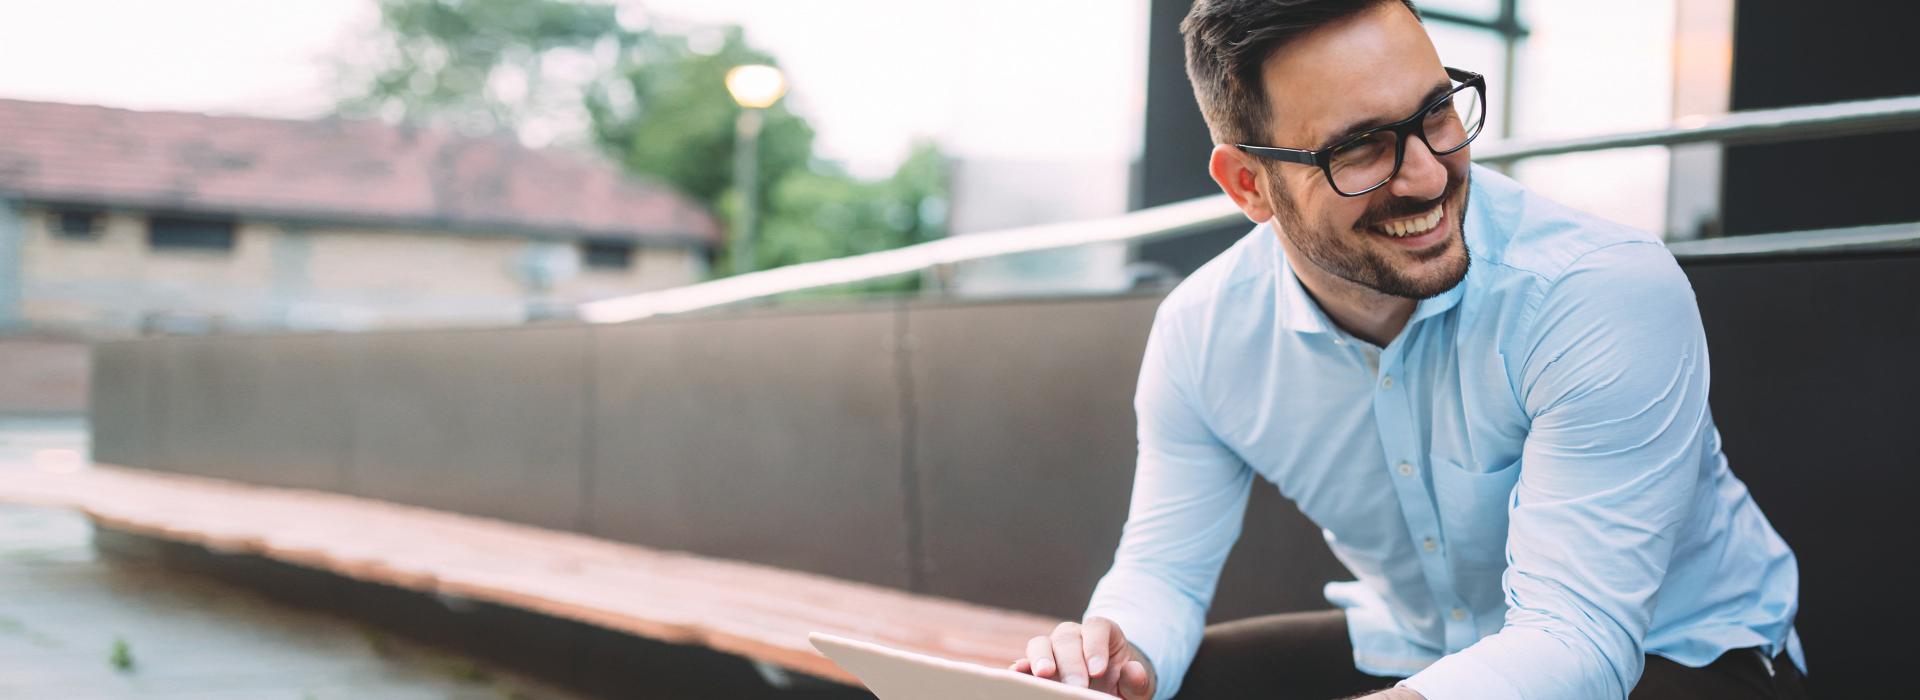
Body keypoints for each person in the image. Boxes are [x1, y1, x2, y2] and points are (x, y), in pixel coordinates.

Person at [1006, 1, 1806, 698]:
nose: (1426, 176)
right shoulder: (1202, 332)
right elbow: (1162, 576)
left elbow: (1579, 642)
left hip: (1686, 658)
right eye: (1359, 147)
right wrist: (1118, 651)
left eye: (1435, 113)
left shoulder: (1595, 290)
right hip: (1429, 646)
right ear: (1249, 185)